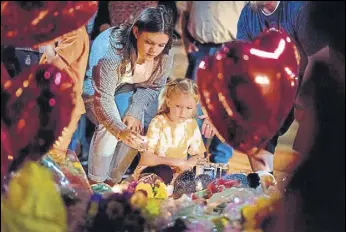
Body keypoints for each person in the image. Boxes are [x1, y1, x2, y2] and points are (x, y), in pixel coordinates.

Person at [84, 6, 175, 184]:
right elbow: (103, 98)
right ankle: (96, 182)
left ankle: (112, 182)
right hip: (95, 87)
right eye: (149, 42)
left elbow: (154, 87)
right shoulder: (113, 51)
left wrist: (134, 111)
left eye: (160, 44)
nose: (154, 50)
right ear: (136, 32)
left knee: (135, 131)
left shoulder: (164, 55)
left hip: (125, 86)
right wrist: (119, 130)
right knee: (109, 129)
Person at [236, 1, 328, 172]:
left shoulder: (297, 8)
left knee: (311, 138)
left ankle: (311, 189)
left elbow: (319, 58)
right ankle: (265, 186)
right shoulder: (248, 13)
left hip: (310, 76)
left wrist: (303, 99)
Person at [180, 1, 247, 164]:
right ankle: (191, 162)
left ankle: (219, 163)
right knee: (191, 107)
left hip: (232, 49)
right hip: (199, 50)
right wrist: (186, 40)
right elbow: (186, 13)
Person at [133, 78, 206, 184]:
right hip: (153, 172)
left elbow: (199, 155)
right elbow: (146, 158)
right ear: (168, 102)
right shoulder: (158, 122)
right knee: (165, 172)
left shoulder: (191, 124)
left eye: (189, 108)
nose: (183, 112)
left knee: (198, 177)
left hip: (177, 173)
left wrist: (188, 164)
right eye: (178, 106)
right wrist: (178, 162)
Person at [39, 26, 90, 162]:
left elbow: (54, 64)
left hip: (64, 104)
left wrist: (48, 43)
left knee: (53, 157)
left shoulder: (76, 33)